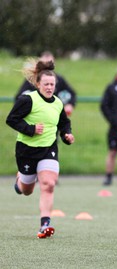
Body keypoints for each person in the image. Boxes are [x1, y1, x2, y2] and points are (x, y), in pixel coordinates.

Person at [6, 58, 75, 238]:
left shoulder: (58, 103)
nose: (49, 87)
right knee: (26, 191)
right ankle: (20, 181)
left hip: (48, 149)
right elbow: (11, 119)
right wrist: (31, 129)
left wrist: (67, 135)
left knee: (48, 184)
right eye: (46, 84)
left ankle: (45, 225)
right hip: (26, 150)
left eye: (52, 84)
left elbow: (64, 123)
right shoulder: (27, 100)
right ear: (38, 84)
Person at [15, 51, 77, 117]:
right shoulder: (31, 80)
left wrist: (70, 104)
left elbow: (72, 93)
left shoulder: (59, 79)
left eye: (49, 64)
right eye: (44, 64)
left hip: (54, 115)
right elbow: (19, 97)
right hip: (36, 116)